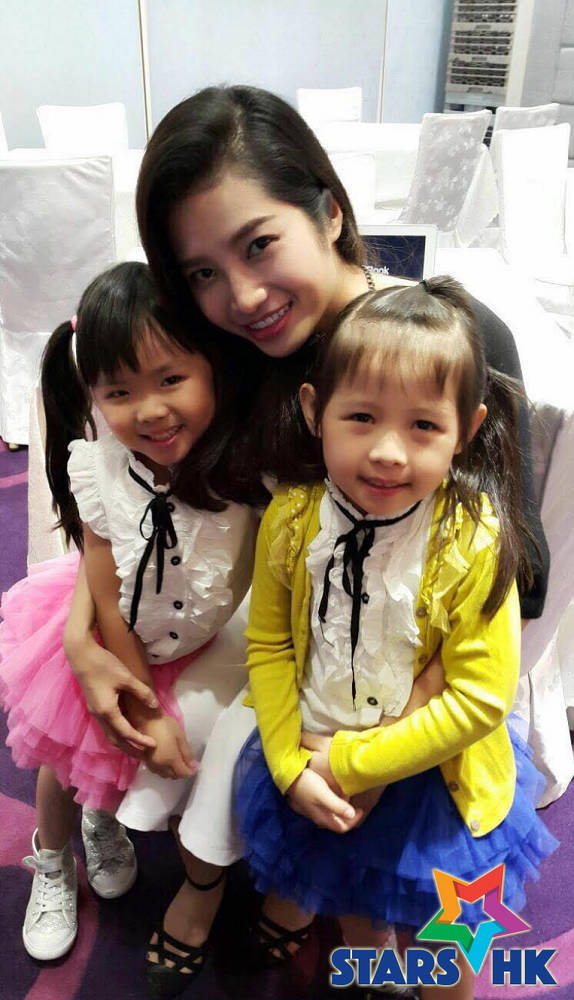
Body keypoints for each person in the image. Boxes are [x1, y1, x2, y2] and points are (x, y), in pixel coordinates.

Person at [60, 86, 549, 992]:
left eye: (258, 245)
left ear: (328, 211)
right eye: (201, 272)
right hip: (288, 638)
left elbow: (511, 580)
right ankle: (267, 889)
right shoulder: (235, 357)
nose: (241, 296)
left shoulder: (445, 341)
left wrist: (372, 758)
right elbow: (141, 505)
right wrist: (80, 640)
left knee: (437, 930)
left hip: (419, 693)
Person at [233, 278, 558, 1000]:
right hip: (316, 759)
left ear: (466, 430)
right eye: (361, 417)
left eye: (422, 427)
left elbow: (480, 698)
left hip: (436, 780)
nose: (387, 452)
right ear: (314, 410)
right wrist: (288, 766)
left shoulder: (471, 537)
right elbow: (270, 647)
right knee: (353, 900)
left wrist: (354, 763)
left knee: (447, 939)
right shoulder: (292, 519)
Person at [0, 262, 256, 969]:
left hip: (198, 639)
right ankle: (53, 856)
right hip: (116, 637)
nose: (149, 411)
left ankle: (102, 819)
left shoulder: (245, 462)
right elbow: (108, 591)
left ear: (211, 366)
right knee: (68, 754)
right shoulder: (98, 466)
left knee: (133, 760)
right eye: (119, 392)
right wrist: (142, 701)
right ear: (93, 394)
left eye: (170, 379)